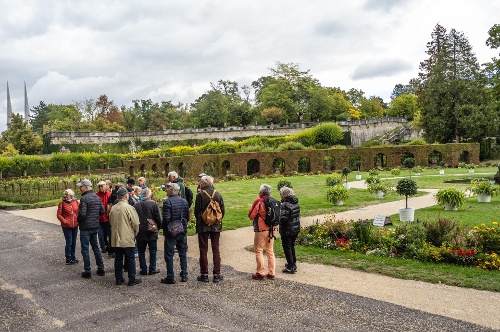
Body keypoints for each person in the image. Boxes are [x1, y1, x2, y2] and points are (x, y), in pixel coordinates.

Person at [194, 175, 225, 283]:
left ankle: (204, 274)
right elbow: (222, 212)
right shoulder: (218, 194)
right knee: (216, 250)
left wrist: (204, 219)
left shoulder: (200, 195)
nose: (200, 184)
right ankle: (217, 274)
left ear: (205, 184)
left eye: (201, 182)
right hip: (216, 226)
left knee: (203, 250)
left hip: (203, 226)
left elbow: (196, 212)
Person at [109, 187, 141, 286]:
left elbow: (110, 222)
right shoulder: (129, 208)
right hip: (127, 237)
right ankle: (132, 279)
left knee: (118, 259)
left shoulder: (113, 208)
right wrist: (135, 234)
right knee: (130, 258)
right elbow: (136, 223)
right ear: (127, 196)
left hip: (116, 237)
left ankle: (119, 279)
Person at [161, 182, 190, 284]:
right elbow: (187, 217)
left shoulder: (167, 202)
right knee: (182, 253)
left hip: (171, 232)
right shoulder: (184, 202)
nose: (166, 190)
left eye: (168, 188)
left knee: (169, 254)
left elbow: (166, 218)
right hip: (182, 229)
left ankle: (170, 276)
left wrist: (165, 227)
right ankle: (184, 274)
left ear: (172, 190)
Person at [77, 179, 105, 279]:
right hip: (95, 225)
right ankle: (101, 268)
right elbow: (102, 211)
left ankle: (87, 270)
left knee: (85, 249)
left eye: (81, 186)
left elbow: (82, 214)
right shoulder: (97, 197)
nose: (80, 188)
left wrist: (79, 220)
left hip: (85, 227)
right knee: (96, 247)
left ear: (86, 187)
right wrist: (94, 217)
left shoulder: (84, 198)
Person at [248, 184, 276, 280]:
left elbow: (251, 215)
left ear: (261, 192)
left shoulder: (259, 201)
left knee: (259, 250)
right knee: (270, 251)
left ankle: (261, 272)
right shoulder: (274, 202)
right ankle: (272, 272)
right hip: (272, 229)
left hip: (261, 229)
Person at [134, 188, 162, 276]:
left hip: (140, 231)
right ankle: (152, 268)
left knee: (141, 251)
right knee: (153, 250)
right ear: (149, 195)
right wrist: (159, 227)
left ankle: (143, 268)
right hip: (151, 230)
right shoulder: (153, 204)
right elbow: (159, 218)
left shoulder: (136, 205)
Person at [279, 186, 300, 274]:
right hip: (295, 228)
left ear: (284, 195)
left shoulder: (285, 205)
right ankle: (292, 263)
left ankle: (291, 266)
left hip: (287, 229)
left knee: (287, 247)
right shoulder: (295, 203)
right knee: (291, 246)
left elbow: (283, 218)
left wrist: (277, 218)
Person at [57, 189, 79, 265]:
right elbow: (59, 215)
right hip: (67, 226)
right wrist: (64, 221)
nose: (65, 196)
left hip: (75, 225)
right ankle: (68, 258)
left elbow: (78, 212)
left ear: (71, 195)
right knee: (69, 242)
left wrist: (78, 220)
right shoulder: (62, 203)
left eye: (67, 194)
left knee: (74, 242)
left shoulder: (75, 202)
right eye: (65, 194)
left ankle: (73, 257)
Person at [96, 180, 112, 255]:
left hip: (108, 218)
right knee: (101, 235)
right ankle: (103, 247)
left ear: (106, 186)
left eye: (102, 186)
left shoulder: (109, 194)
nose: (101, 188)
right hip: (99, 219)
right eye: (99, 186)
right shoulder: (96, 195)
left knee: (109, 233)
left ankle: (110, 246)